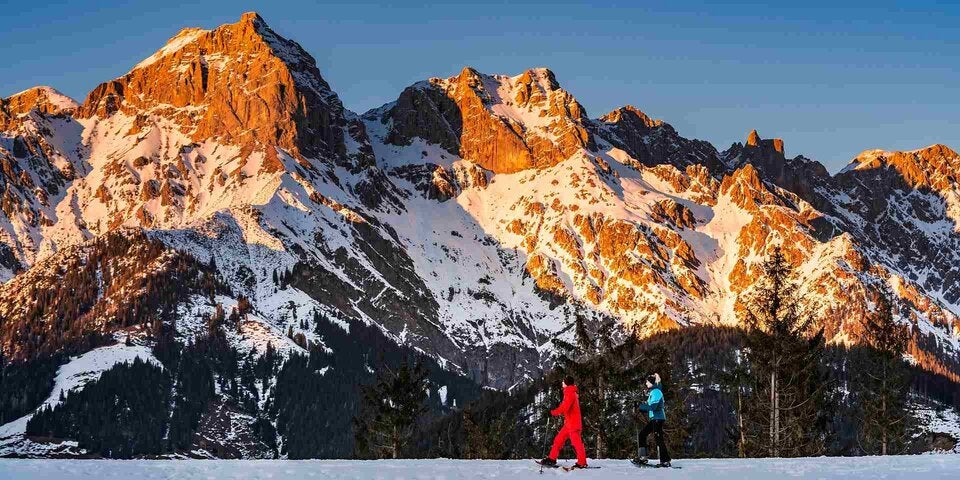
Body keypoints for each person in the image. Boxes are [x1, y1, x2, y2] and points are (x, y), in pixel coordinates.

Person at [539, 375, 588, 469]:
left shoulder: (570, 393)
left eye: (563, 382)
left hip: (573, 424)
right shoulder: (569, 392)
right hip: (569, 424)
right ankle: (552, 459)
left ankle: (582, 462)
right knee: (558, 440)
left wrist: (552, 413)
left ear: (566, 383)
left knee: (577, 443)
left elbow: (565, 407)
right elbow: (565, 407)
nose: (562, 383)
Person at [635, 373, 671, 467]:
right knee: (642, 434)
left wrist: (641, 407)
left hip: (658, 419)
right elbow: (650, 407)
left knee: (658, 439)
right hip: (654, 419)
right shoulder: (653, 392)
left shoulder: (656, 392)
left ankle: (665, 461)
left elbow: (653, 407)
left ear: (651, 382)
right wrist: (640, 407)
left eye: (647, 381)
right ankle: (643, 457)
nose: (646, 383)